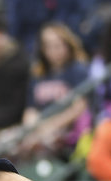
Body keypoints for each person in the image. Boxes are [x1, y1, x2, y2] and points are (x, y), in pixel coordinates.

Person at [7, 21, 91, 163]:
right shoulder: (38, 74)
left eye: (58, 45)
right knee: (7, 143)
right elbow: (31, 109)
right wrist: (32, 127)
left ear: (67, 44)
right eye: (48, 46)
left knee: (40, 146)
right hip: (40, 129)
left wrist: (50, 126)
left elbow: (79, 108)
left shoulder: (78, 70)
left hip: (67, 131)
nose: (53, 51)